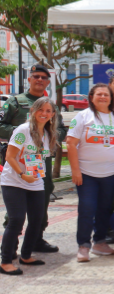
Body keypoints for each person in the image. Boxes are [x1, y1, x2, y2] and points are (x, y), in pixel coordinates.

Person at [0, 65, 66, 254]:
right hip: (18, 158)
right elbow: (0, 125)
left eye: (44, 77)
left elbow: (61, 130)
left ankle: (36, 239)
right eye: (35, 76)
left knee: (41, 200)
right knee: (16, 206)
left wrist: (49, 135)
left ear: (47, 81)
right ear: (28, 79)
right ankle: (10, 245)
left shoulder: (51, 105)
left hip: (40, 160)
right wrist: (25, 133)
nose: (39, 79)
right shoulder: (15, 101)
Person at [66, 83, 114, 262]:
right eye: (99, 94)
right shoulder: (82, 116)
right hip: (86, 173)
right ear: (92, 97)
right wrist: (75, 170)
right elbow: (71, 143)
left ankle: (100, 242)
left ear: (111, 98)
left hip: (111, 173)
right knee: (87, 208)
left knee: (105, 208)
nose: (103, 97)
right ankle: (83, 245)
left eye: (106, 95)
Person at [0, 98, 58, 275]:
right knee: (17, 220)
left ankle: (26, 255)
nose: (44, 114)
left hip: (35, 183)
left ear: (53, 115)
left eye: (49, 111)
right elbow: (10, 156)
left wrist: (35, 174)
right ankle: (5, 261)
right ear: (33, 110)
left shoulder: (47, 133)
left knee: (36, 220)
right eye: (41, 110)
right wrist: (22, 174)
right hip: (14, 181)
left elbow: (39, 158)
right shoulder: (23, 130)